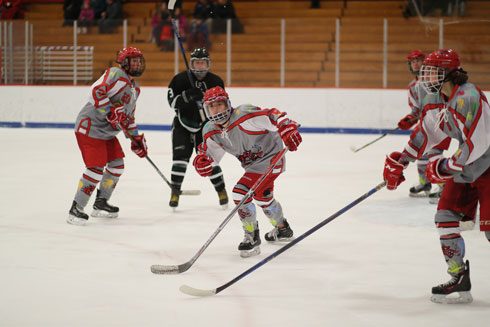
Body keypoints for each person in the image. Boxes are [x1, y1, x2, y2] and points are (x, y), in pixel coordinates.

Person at [383, 49, 490, 304]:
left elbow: (478, 143)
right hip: (467, 168)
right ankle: (458, 277)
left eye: (432, 70)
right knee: (445, 217)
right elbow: (428, 133)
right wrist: (402, 160)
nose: (425, 74)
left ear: (449, 73)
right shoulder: (436, 97)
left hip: (487, 165)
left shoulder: (468, 97)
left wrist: (444, 167)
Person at [193, 86, 303, 258]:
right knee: (263, 197)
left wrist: (286, 126)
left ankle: (252, 236)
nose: (217, 109)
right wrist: (202, 162)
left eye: (220, 104)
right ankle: (283, 229)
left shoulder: (244, 114)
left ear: (228, 103)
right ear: (206, 109)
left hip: (272, 158)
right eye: (212, 106)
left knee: (240, 193)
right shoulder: (210, 130)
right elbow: (209, 156)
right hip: (253, 167)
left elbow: (273, 116)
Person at [68, 46, 147, 226]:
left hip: (106, 133)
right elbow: (96, 91)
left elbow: (128, 117)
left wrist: (136, 139)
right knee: (95, 168)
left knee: (117, 166)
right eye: (133, 60)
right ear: (124, 62)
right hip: (91, 127)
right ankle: (76, 208)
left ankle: (100, 203)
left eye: (139, 60)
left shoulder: (135, 88)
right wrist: (109, 111)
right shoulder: (115, 74)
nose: (137, 64)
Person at [167, 48, 227, 209]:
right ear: (192, 64)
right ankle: (175, 191)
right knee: (179, 160)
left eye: (203, 63)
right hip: (183, 124)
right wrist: (186, 96)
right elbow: (172, 103)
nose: (200, 67)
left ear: (208, 64)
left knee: (209, 161)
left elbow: (223, 106)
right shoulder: (180, 79)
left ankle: (222, 191)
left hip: (206, 127)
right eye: (197, 63)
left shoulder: (216, 81)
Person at [398, 50, 450, 202]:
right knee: (421, 155)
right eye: (413, 61)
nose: (416, 63)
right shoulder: (412, 86)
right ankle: (425, 183)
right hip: (426, 124)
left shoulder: (435, 80)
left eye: (419, 60)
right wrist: (409, 119)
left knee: (434, 153)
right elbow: (416, 110)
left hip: (440, 123)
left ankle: (443, 186)